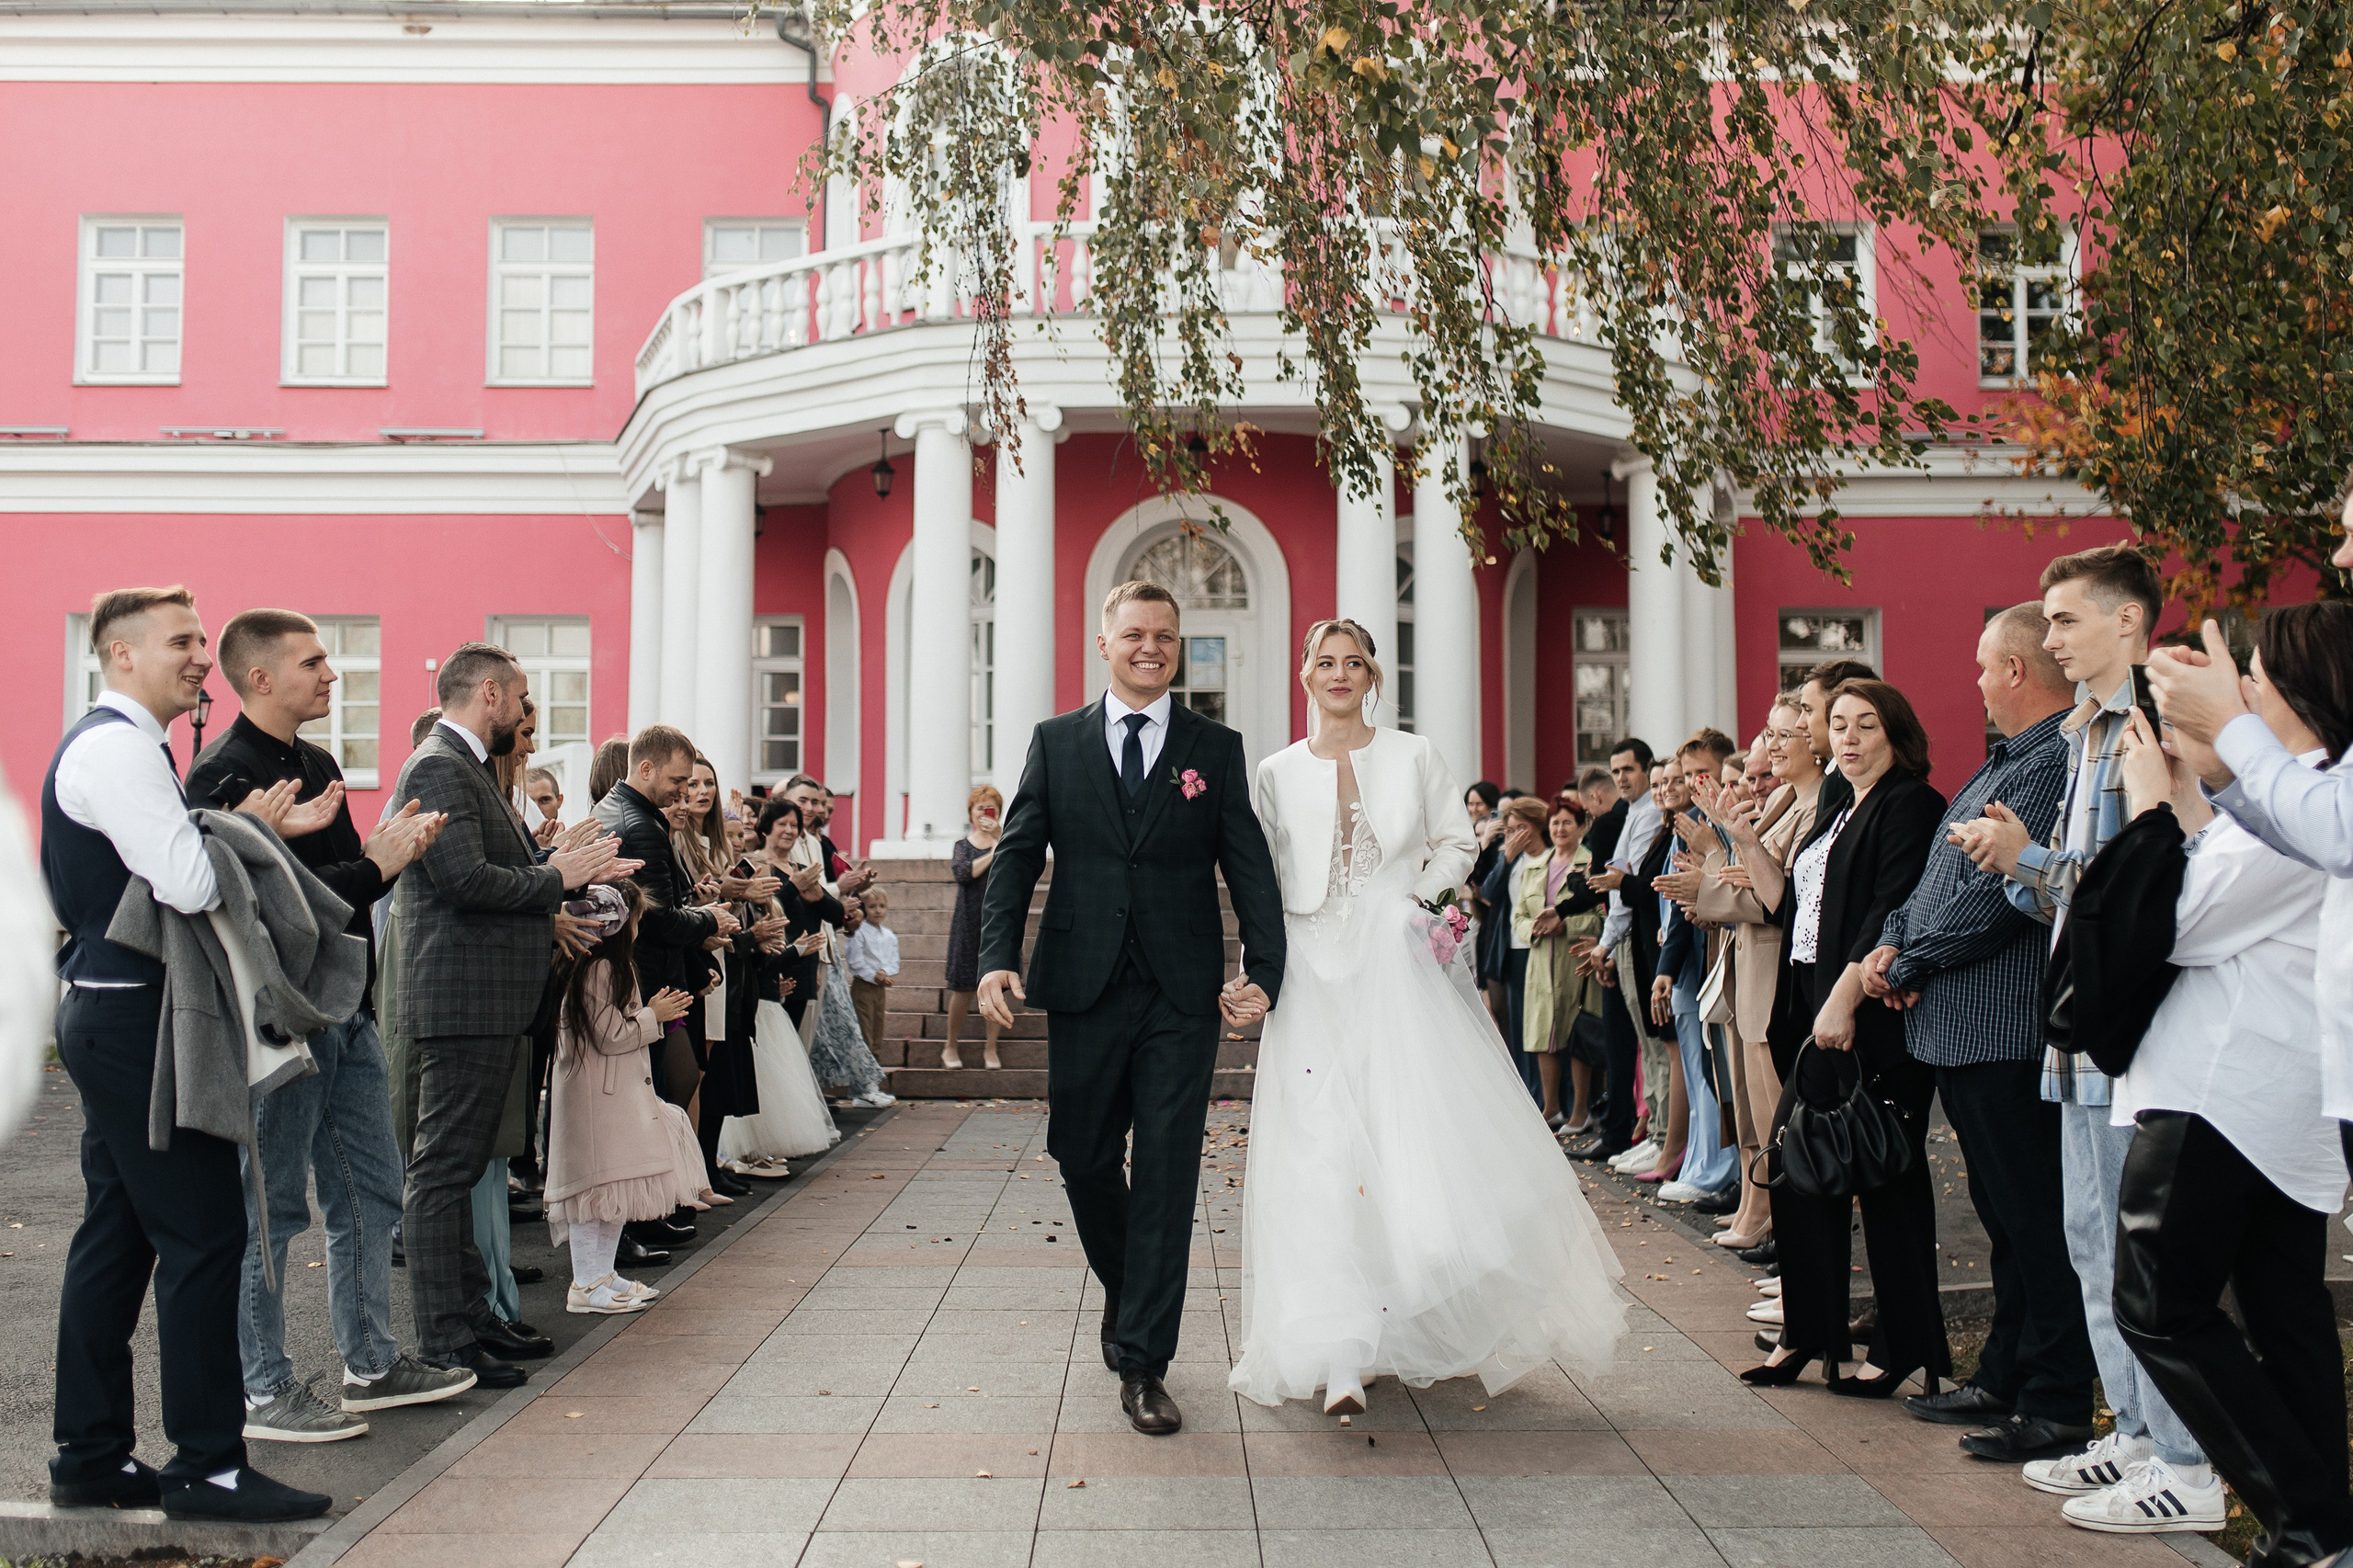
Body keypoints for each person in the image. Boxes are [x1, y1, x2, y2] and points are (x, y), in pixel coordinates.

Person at [1224, 618, 1626, 1415]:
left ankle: (1395, 1319)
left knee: (1404, 1143)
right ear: (1303, 675)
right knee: (1319, 1149)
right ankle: (1338, 1348)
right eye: (1324, 661)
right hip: (1309, 969)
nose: (1339, 674)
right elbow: (1259, 882)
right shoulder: (1274, 771)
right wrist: (1254, 971)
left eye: (1355, 663)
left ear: (1373, 676)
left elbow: (1455, 845)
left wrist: (1418, 903)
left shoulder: (1414, 755)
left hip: (1391, 968)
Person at [41, 586, 335, 1522]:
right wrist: (250, 825)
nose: (200, 657)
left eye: (202, 640)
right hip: (136, 1018)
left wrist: (238, 824)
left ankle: (90, 1455)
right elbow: (187, 876)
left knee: (119, 1237)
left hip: (116, 1009)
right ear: (119, 654)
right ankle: (207, 1464)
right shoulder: (119, 746)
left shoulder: (124, 744)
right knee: (205, 1234)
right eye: (180, 641)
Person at [975, 579, 1287, 1437]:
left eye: (1166, 637)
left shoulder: (1213, 749)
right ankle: (1129, 1285)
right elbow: (1016, 857)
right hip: (1081, 982)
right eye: (1136, 634)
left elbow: (1248, 866)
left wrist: (1267, 969)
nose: (1152, 647)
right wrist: (994, 958)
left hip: (1182, 994)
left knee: (1166, 1173)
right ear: (1104, 643)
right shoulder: (1056, 741)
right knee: (1079, 1154)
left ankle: (1145, 1360)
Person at [1949, 544, 2211, 1476]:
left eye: (2065, 619)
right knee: (2088, 1243)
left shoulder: (2153, 726)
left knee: (2141, 1257)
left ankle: (2176, 1457)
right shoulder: (2079, 737)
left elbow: (2145, 888)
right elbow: (2062, 897)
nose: (2050, 636)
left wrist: (2030, 859)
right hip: (2078, 1032)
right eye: (2049, 621)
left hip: (2133, 1034)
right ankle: (2131, 1435)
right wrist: (2017, 859)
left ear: (2127, 622)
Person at [186, 608, 472, 1444]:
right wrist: (382, 858)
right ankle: (263, 1386)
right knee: (271, 1208)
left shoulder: (314, 763)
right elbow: (291, 908)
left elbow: (345, 892)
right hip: (282, 1019)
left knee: (371, 1189)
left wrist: (380, 857)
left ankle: (372, 1366)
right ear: (260, 677)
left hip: (347, 1011)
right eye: (313, 661)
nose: (331, 674)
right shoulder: (221, 776)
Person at [2111, 602, 2353, 1561]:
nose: (2236, 695)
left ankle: (2307, 1523)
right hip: (2266, 1093)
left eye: (2249, 678)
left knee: (2158, 1307)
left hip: (2231, 1087)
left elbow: (2177, 924)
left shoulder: (2313, 789)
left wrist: (2150, 804)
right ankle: (2321, 1528)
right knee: (2285, 1318)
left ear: (2297, 687)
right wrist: (2197, 795)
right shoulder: (2294, 793)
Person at [1855, 607, 2096, 1451]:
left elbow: (1995, 901)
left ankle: (2058, 1399)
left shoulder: (2048, 760)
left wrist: (1907, 962)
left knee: (2034, 1223)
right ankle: (2006, 1375)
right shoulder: (2008, 759)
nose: (1978, 682)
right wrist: (1892, 943)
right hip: (1966, 1028)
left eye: (1986, 666)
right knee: (2007, 1220)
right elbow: (1935, 881)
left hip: (2004, 1028)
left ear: (2020, 673)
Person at [390, 642, 632, 1387]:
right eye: (523, 698)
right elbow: (462, 879)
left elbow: (497, 868)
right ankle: (448, 1343)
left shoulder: (465, 767)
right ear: (489, 694)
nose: (529, 712)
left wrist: (565, 868)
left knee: (457, 1172)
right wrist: (557, 876)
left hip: (486, 996)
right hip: (462, 998)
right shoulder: (437, 763)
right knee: (441, 1175)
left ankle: (474, 1323)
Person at [1744, 678, 1948, 1398]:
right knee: (1798, 1169)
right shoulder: (1837, 805)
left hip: (1869, 1016)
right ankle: (1809, 1333)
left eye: (1866, 724)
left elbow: (1893, 908)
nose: (1851, 737)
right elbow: (1801, 907)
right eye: (1839, 724)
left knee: (1886, 1177)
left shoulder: (1911, 804)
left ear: (1895, 732)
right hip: (1812, 1009)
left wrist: (1847, 995)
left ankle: (1909, 1352)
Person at [1690, 696, 1822, 1252]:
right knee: (1752, 1116)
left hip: (1774, 969)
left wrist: (1710, 874)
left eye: (1781, 735)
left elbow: (1772, 896)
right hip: (1749, 966)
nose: (1767, 747)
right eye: (1767, 733)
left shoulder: (1812, 807)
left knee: (1779, 1121)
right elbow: (1749, 878)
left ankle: (1785, 1243)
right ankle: (1763, 1216)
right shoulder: (1786, 802)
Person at [546, 881, 710, 1315]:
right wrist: (654, 1015)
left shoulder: (597, 966)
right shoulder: (601, 969)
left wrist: (649, 1012)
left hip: (611, 1094)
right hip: (601, 1096)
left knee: (613, 1187)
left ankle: (602, 1274)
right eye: (635, 919)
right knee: (594, 1189)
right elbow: (610, 1035)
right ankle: (586, 1282)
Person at [719, 796, 841, 1172]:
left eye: (794, 825)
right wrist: (791, 889)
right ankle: (745, 1148)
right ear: (766, 829)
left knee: (788, 1060)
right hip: (763, 969)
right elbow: (765, 915)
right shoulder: (753, 868)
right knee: (761, 1060)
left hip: (797, 969)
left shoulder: (803, 869)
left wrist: (816, 893)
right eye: (782, 824)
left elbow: (836, 915)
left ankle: (767, 1142)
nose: (789, 831)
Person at [1649, 730, 1741, 1206]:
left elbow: (1699, 886)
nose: (1690, 783)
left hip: (1706, 957)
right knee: (1702, 1066)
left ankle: (1716, 1166)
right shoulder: (1692, 820)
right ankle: (1703, 1162)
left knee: (1715, 1072)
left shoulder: (1713, 822)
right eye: (1687, 776)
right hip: (1687, 960)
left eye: (1700, 773)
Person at [1517, 798, 1605, 1129]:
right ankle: (1550, 1107)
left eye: (1567, 822)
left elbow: (1600, 915)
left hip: (1576, 959)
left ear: (1581, 826)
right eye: (1555, 823)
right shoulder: (1536, 867)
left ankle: (1580, 1110)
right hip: (1542, 959)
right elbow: (1519, 916)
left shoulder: (1591, 863)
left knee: (1578, 1031)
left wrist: (1567, 925)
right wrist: (1533, 930)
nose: (1560, 829)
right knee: (1544, 1033)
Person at [943, 787, 1006, 1071]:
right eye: (980, 808)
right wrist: (993, 850)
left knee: (996, 986)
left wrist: (1000, 840)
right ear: (971, 813)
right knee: (962, 986)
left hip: (998, 921)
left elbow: (1016, 869)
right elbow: (964, 873)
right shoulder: (962, 845)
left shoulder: (1006, 843)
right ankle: (950, 1045)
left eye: (990, 808)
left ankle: (991, 1049)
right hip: (968, 922)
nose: (984, 813)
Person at [846, 884, 900, 1054]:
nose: (878, 911)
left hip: (880, 988)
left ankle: (875, 1062)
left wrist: (885, 972)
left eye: (882, 906)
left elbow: (894, 962)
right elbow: (855, 962)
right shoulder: (859, 932)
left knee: (878, 1026)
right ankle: (864, 1067)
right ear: (863, 908)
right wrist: (874, 976)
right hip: (863, 986)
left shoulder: (889, 935)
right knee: (864, 1027)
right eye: (872, 906)